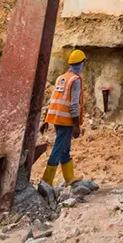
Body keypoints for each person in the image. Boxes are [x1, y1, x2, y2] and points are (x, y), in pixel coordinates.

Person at [42, 49, 86, 187]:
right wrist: (77, 125)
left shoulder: (61, 78)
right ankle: (46, 181)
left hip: (56, 118)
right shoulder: (75, 80)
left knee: (65, 148)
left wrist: (45, 119)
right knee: (59, 148)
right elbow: (73, 104)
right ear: (81, 63)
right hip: (66, 120)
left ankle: (69, 177)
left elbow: (52, 100)